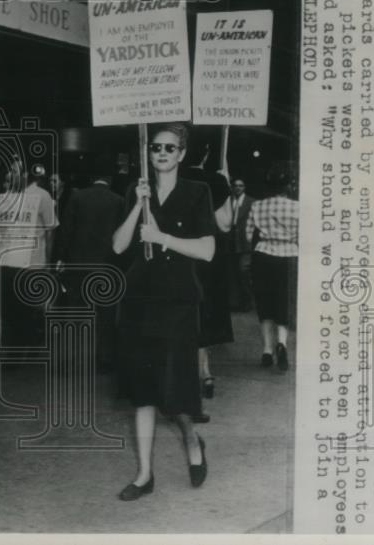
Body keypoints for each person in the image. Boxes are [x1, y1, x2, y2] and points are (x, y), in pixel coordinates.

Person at [111, 123, 215, 500]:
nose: (162, 153)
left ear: (182, 154)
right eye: (156, 147)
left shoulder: (197, 192)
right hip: (139, 301)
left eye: (170, 148)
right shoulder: (137, 192)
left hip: (178, 302)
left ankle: (192, 440)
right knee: (143, 391)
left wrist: (163, 238)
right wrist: (138, 206)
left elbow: (207, 250)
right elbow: (120, 246)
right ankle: (144, 475)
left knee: (174, 392)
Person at [53, 154, 124, 369]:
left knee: (74, 313)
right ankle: (104, 360)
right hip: (107, 266)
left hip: (78, 265)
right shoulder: (118, 201)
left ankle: (69, 361)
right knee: (106, 314)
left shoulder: (77, 198)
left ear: (91, 177)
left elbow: (66, 231)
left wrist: (59, 258)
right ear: (109, 179)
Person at [179, 143, 233, 406]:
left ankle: (184, 373)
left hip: (175, 254)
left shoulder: (170, 178)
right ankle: (205, 372)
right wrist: (227, 187)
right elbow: (225, 224)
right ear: (207, 153)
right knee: (203, 310)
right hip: (207, 256)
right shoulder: (216, 181)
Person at [0, 157, 58, 352]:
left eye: (14, 171)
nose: (10, 175)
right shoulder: (6, 197)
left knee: (26, 308)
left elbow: (50, 230)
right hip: (8, 261)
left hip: (32, 262)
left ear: (25, 175)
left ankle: (23, 346)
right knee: (9, 307)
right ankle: (13, 346)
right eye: (9, 172)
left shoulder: (42, 196)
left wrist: (48, 262)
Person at [245, 162, 299, 372]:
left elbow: (248, 235)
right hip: (289, 256)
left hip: (263, 256)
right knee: (283, 302)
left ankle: (267, 351)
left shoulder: (257, 206)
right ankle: (282, 343)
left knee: (264, 303)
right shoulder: (298, 207)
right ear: (288, 185)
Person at [227, 178, 255, 312]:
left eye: (241, 186)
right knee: (232, 273)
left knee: (243, 271)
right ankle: (235, 302)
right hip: (231, 242)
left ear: (244, 187)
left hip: (245, 243)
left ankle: (248, 301)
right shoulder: (228, 201)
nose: (238, 188)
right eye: (235, 185)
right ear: (232, 187)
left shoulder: (252, 202)